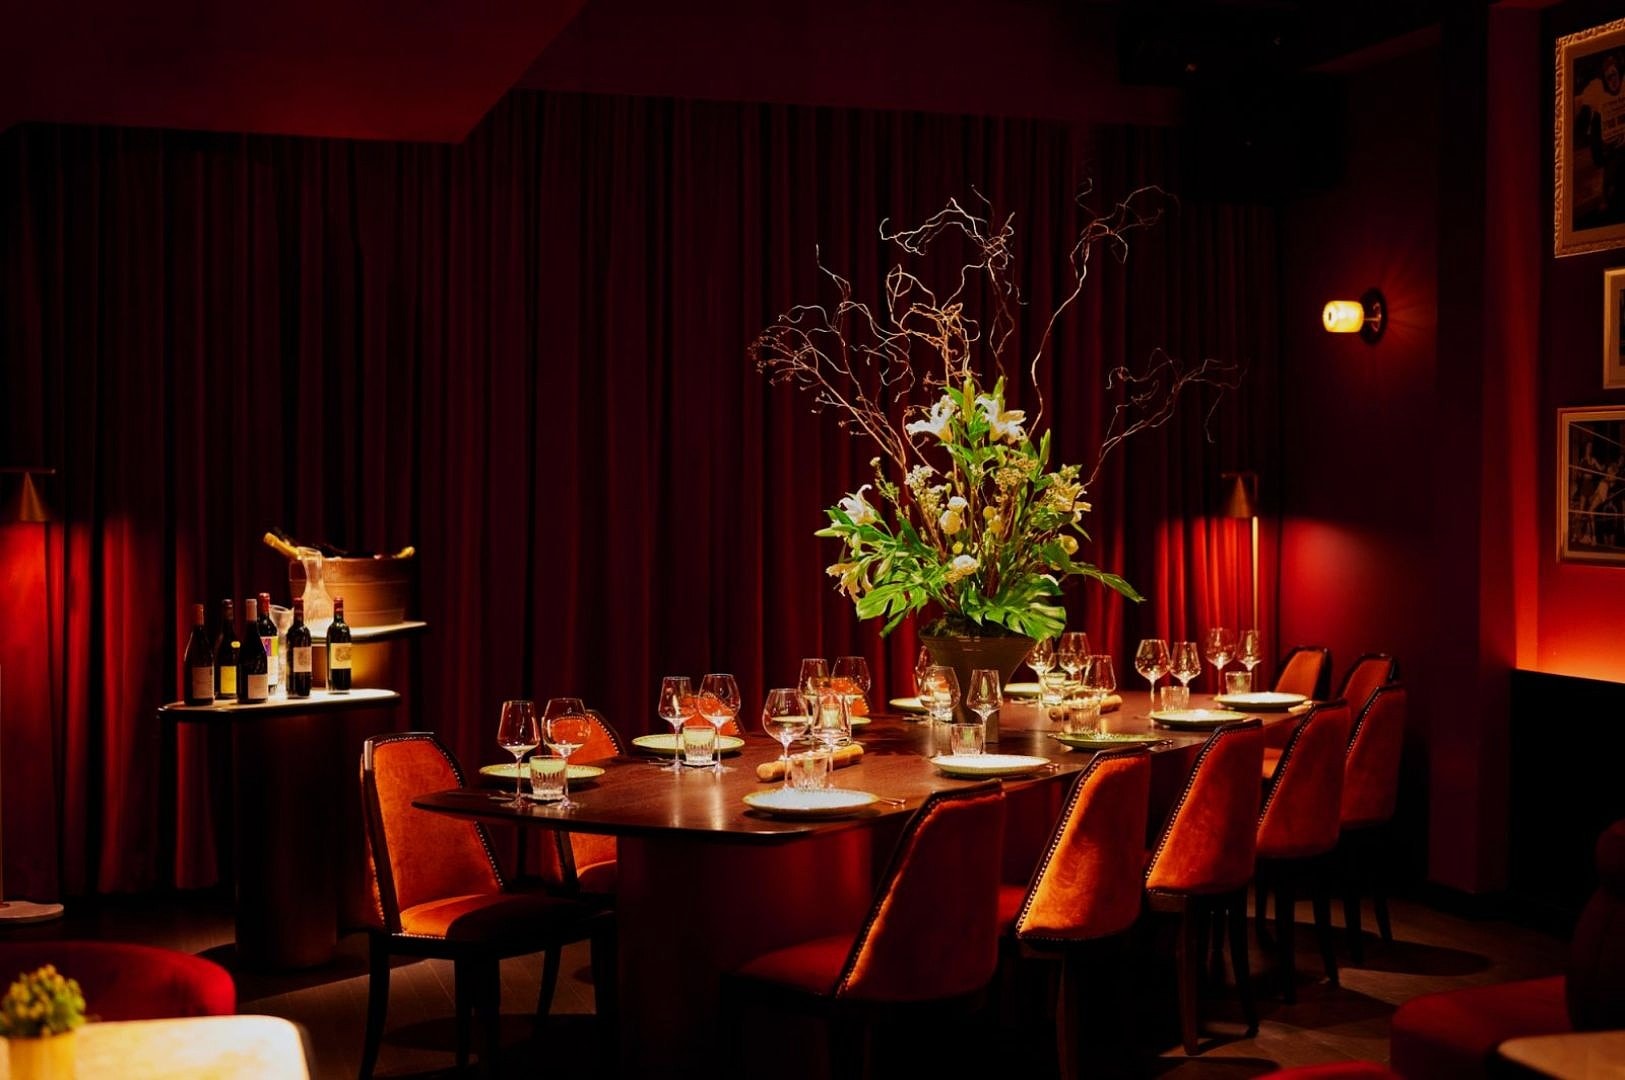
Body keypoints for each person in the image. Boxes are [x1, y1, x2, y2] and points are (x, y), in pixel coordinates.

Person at [1575, 50, 1625, 227]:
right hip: (1611, 154)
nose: (1613, 80)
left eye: (1614, 75)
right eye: (1608, 77)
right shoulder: (1599, 96)